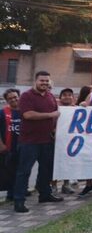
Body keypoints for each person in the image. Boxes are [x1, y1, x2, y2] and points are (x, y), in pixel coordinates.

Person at [14, 71, 63, 213]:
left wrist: (54, 127)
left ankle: (45, 194)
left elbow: (56, 115)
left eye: (47, 81)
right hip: (29, 141)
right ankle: (19, 200)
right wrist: (50, 115)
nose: (45, 83)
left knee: (46, 170)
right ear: (35, 81)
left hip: (47, 140)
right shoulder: (26, 96)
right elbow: (27, 114)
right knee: (24, 172)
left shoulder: (50, 96)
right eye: (42, 81)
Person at [50, 88, 76, 195]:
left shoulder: (76, 109)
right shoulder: (55, 108)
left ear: (73, 98)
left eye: (70, 95)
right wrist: (53, 130)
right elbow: (50, 122)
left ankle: (66, 185)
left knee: (68, 163)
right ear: (60, 97)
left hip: (69, 141)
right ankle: (53, 186)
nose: (67, 97)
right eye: (64, 95)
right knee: (54, 163)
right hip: (55, 139)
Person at [0, 89, 21, 202]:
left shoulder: (24, 111)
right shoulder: (3, 112)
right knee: (10, 172)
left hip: (23, 147)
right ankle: (11, 193)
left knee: (21, 171)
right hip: (8, 148)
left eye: (15, 97)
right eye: (10, 98)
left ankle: (20, 191)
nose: (13, 99)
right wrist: (1, 144)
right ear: (7, 100)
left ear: (19, 96)